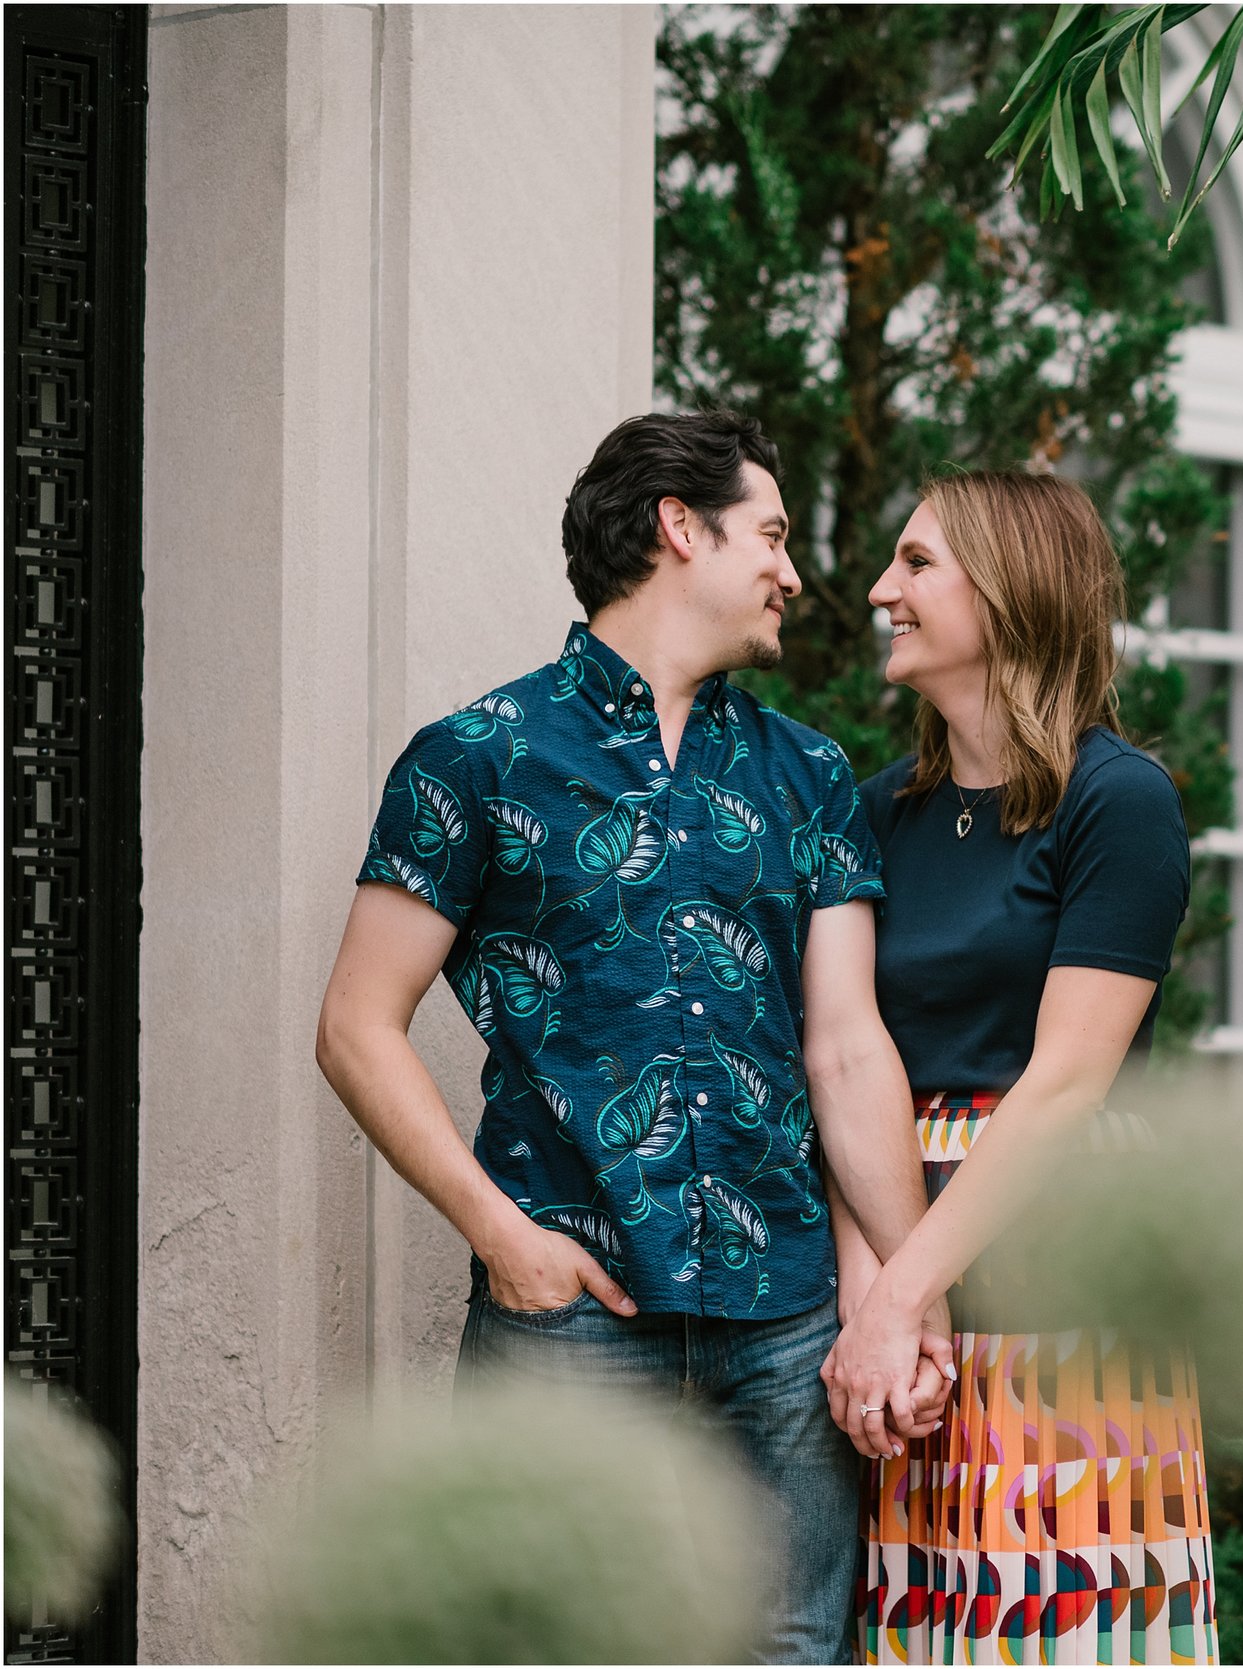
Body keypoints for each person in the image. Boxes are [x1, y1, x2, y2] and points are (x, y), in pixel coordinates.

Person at [313, 410, 947, 1664]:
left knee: (788, 1649)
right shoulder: (474, 760)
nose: (792, 571)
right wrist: (504, 1241)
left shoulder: (807, 773)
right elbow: (354, 1026)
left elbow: (848, 1044)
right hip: (570, 1319)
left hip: (786, 1325)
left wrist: (906, 1289)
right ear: (677, 529)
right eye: (768, 534)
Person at [829, 470, 1215, 1665]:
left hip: (1055, 1258)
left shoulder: (1118, 800)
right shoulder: (876, 810)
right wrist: (874, 1300)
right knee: (919, 1626)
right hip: (898, 1247)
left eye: (917, 563)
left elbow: (1063, 1085)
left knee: (1057, 1632)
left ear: (1008, 590)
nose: (883, 589)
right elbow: (842, 1062)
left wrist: (901, 1295)